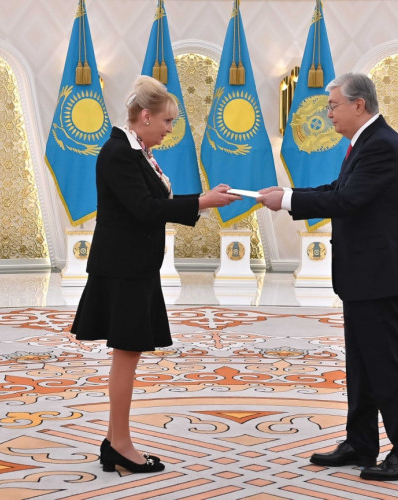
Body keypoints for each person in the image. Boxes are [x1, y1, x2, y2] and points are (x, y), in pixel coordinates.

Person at [257, 72, 398, 481]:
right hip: (364, 273)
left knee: (383, 365)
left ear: (358, 105)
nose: (329, 113)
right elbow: (339, 187)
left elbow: (348, 200)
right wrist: (288, 195)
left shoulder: (381, 145)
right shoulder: (366, 142)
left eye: (333, 105)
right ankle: (361, 442)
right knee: (362, 364)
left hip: (379, 275)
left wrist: (289, 200)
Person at [71, 75, 240, 474]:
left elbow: (153, 202)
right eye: (167, 121)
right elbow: (145, 209)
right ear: (145, 116)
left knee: (127, 354)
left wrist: (205, 199)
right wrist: (203, 202)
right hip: (123, 270)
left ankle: (114, 441)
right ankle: (121, 444)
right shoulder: (118, 152)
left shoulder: (136, 152)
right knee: (127, 354)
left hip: (135, 267)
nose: (169, 129)